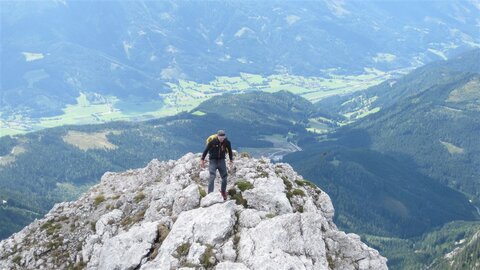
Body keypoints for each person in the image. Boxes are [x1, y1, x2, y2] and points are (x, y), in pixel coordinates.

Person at [201, 130, 233, 200]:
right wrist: (202, 160)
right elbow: (206, 150)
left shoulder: (227, 142)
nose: (222, 139)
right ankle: (210, 194)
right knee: (212, 176)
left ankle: (223, 192)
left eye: (223, 137)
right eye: (220, 137)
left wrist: (231, 160)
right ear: (217, 136)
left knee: (224, 176)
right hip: (213, 161)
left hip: (221, 160)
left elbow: (230, 151)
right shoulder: (212, 142)